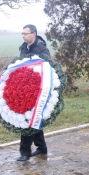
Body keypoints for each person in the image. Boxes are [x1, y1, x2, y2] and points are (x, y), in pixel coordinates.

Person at [17, 24, 51, 161]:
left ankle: (25, 152)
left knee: (29, 119)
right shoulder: (23, 48)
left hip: (37, 90)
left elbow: (48, 70)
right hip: (25, 89)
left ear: (34, 34)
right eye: (22, 33)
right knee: (34, 118)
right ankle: (41, 148)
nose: (23, 36)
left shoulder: (42, 50)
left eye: (25, 33)